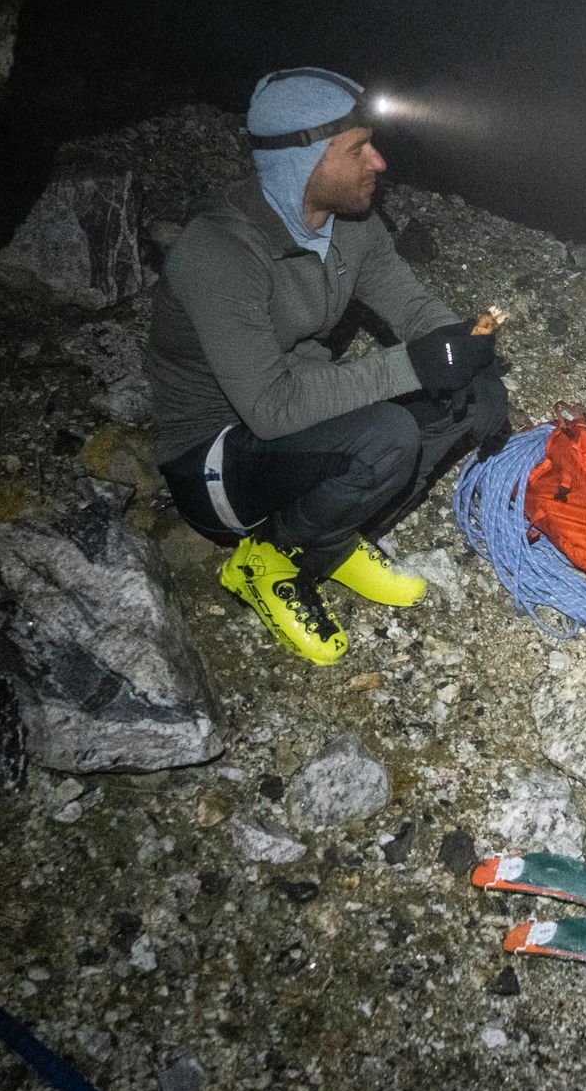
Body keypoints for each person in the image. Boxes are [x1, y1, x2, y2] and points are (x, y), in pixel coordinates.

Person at [146, 67, 507, 664]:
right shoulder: (218, 254)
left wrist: (462, 350)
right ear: (301, 162)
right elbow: (272, 407)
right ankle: (272, 559)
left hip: (292, 419)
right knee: (387, 437)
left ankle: (331, 537)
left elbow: (412, 306)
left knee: (472, 398)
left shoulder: (352, 227)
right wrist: (418, 366)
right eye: (357, 149)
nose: (379, 163)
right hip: (212, 462)